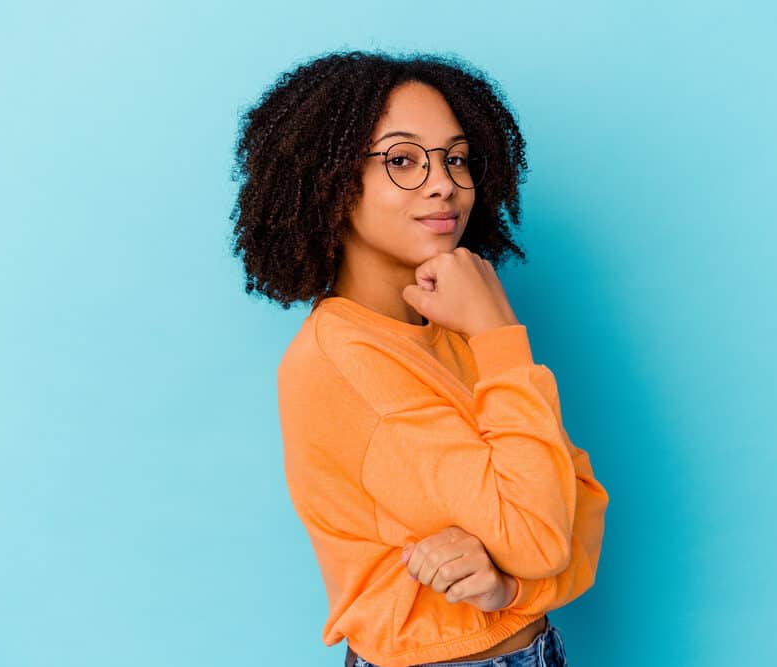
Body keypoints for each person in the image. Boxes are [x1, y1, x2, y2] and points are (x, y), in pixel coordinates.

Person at [230, 50, 609, 667]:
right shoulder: (347, 362)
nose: (444, 184)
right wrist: (498, 331)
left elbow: (580, 501)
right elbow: (540, 535)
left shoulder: (452, 327)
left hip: (535, 648)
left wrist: (513, 587)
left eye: (456, 158)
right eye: (403, 159)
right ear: (327, 180)